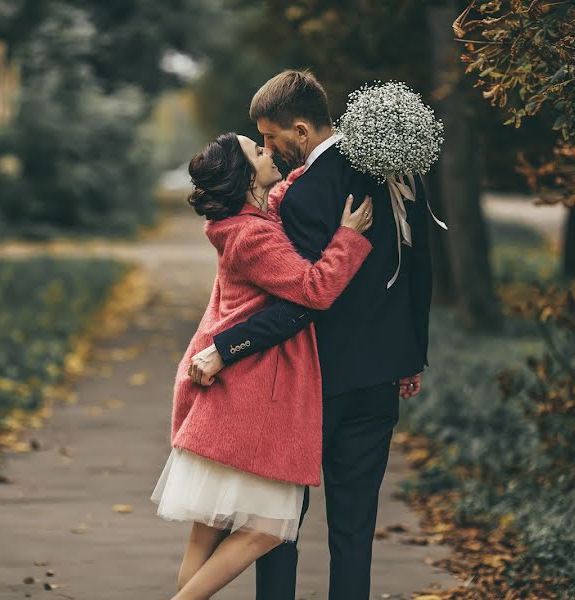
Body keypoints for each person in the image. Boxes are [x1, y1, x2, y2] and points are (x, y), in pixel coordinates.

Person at [187, 70, 434, 600]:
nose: (270, 150)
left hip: (314, 383)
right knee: (354, 527)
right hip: (381, 376)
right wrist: (412, 354)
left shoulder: (304, 195)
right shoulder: (395, 168)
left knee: (278, 523)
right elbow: (421, 269)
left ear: (301, 131)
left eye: (271, 138)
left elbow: (300, 302)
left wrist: (227, 348)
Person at [151, 131, 375, 600]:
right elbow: (313, 288)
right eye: (258, 150)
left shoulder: (246, 217)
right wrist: (348, 239)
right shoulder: (251, 235)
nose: (268, 151)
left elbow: (278, 198)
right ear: (245, 175)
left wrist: (297, 177)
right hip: (250, 391)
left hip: (229, 389)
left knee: (205, 537)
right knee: (271, 527)